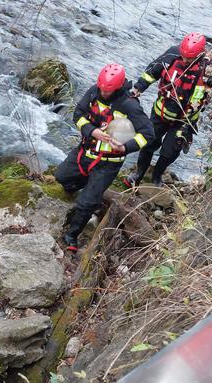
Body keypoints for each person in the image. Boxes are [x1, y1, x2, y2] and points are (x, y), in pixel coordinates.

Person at [54, 63, 154, 252]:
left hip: (107, 164)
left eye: (108, 91)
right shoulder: (94, 92)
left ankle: (72, 236)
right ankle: (84, 184)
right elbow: (78, 115)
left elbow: (148, 134)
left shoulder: (129, 105)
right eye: (102, 89)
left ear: (117, 88)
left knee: (86, 203)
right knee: (61, 177)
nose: (103, 93)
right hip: (85, 152)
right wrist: (92, 132)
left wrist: (125, 147)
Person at [123, 32, 212, 187]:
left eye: (189, 58)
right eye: (183, 56)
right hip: (160, 113)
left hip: (185, 120)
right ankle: (139, 174)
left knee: (170, 151)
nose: (185, 60)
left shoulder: (211, 68)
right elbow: (152, 72)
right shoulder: (172, 54)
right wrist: (138, 88)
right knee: (148, 143)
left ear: (200, 54)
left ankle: (157, 177)